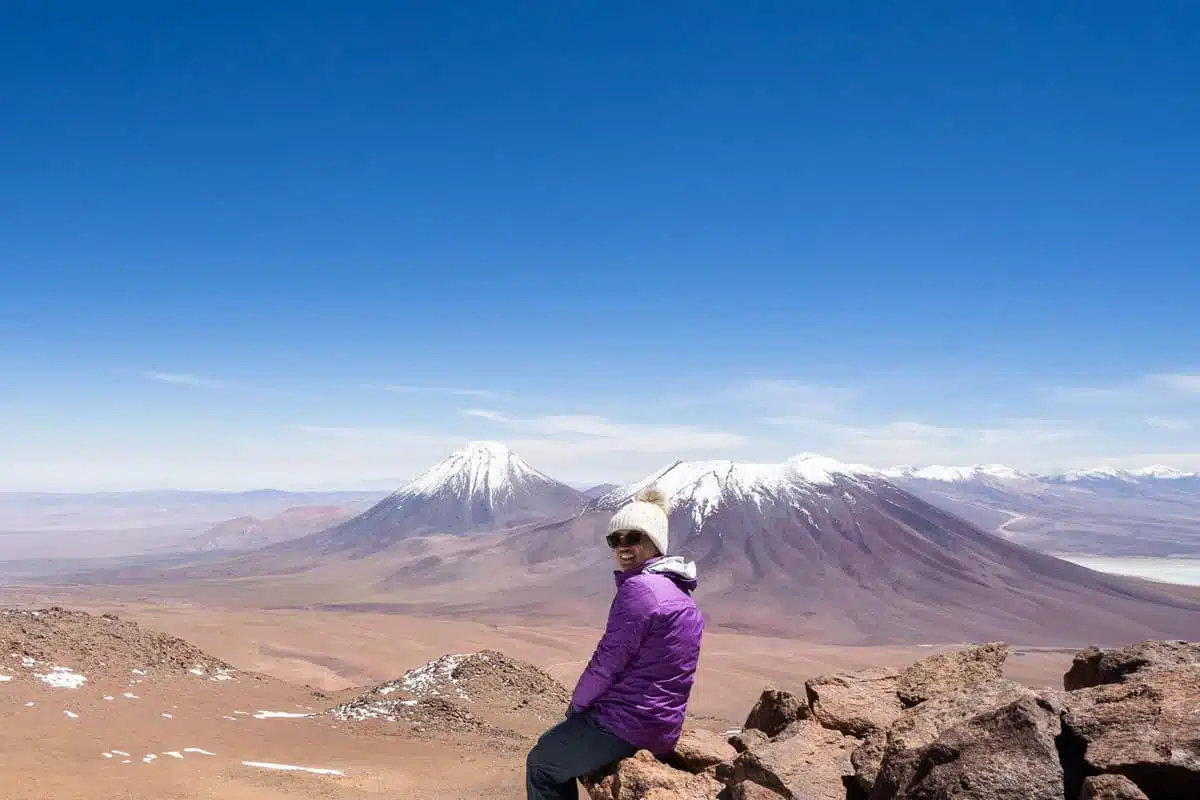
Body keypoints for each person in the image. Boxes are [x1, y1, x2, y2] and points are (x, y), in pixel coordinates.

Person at [525, 488, 704, 800]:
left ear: (655, 542)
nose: (623, 546)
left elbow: (607, 662)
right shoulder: (679, 593)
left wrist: (577, 707)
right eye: (615, 539)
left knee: (542, 763)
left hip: (627, 725)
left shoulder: (640, 591)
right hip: (663, 727)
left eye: (633, 537)